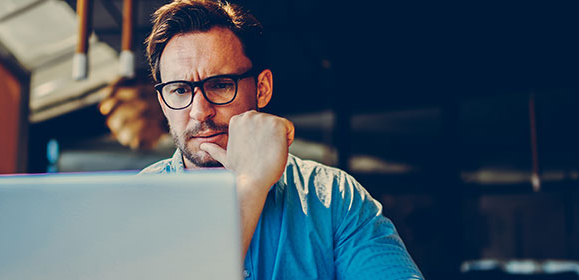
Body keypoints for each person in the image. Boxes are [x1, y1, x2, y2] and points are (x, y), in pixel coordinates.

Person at [139, 0, 423, 279]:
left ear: (262, 89)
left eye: (221, 85)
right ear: (162, 103)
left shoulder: (334, 198)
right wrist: (249, 186)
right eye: (179, 90)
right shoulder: (134, 203)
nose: (200, 111)